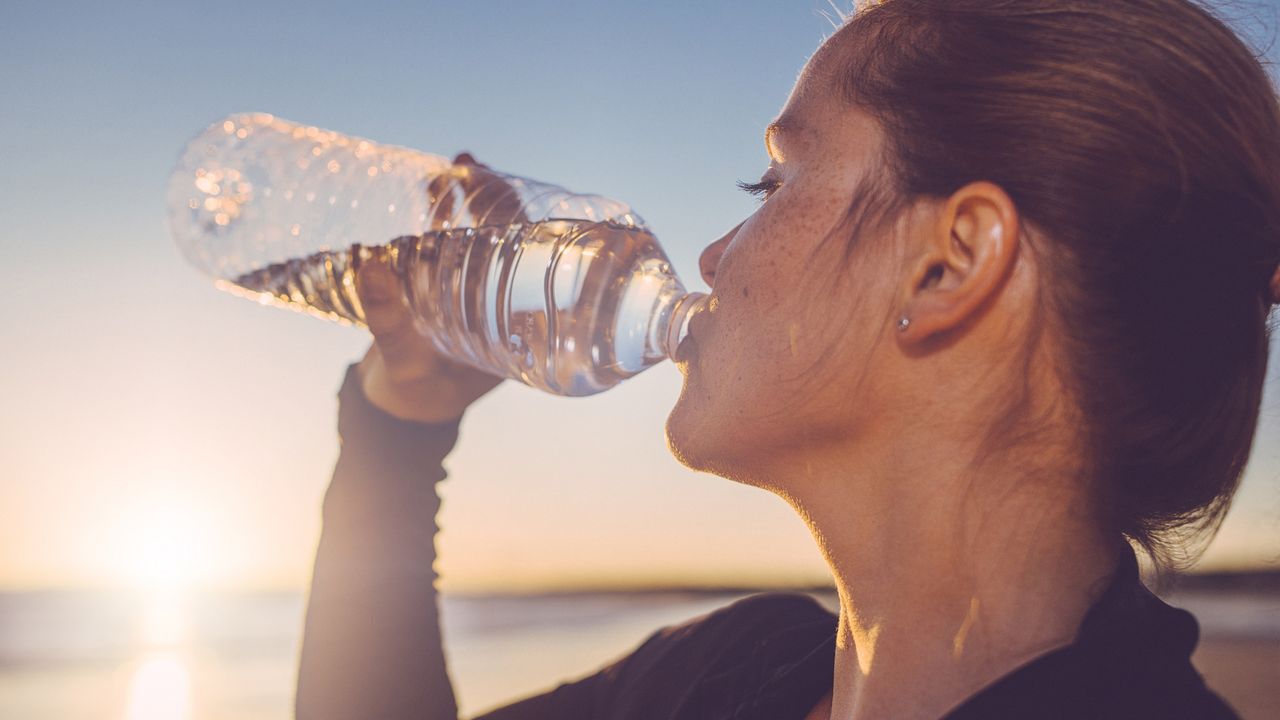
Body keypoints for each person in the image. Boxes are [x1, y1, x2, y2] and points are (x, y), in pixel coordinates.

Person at [295, 1, 1280, 718]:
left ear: (947, 265)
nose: (715, 255)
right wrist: (399, 426)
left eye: (773, 181)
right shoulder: (729, 676)